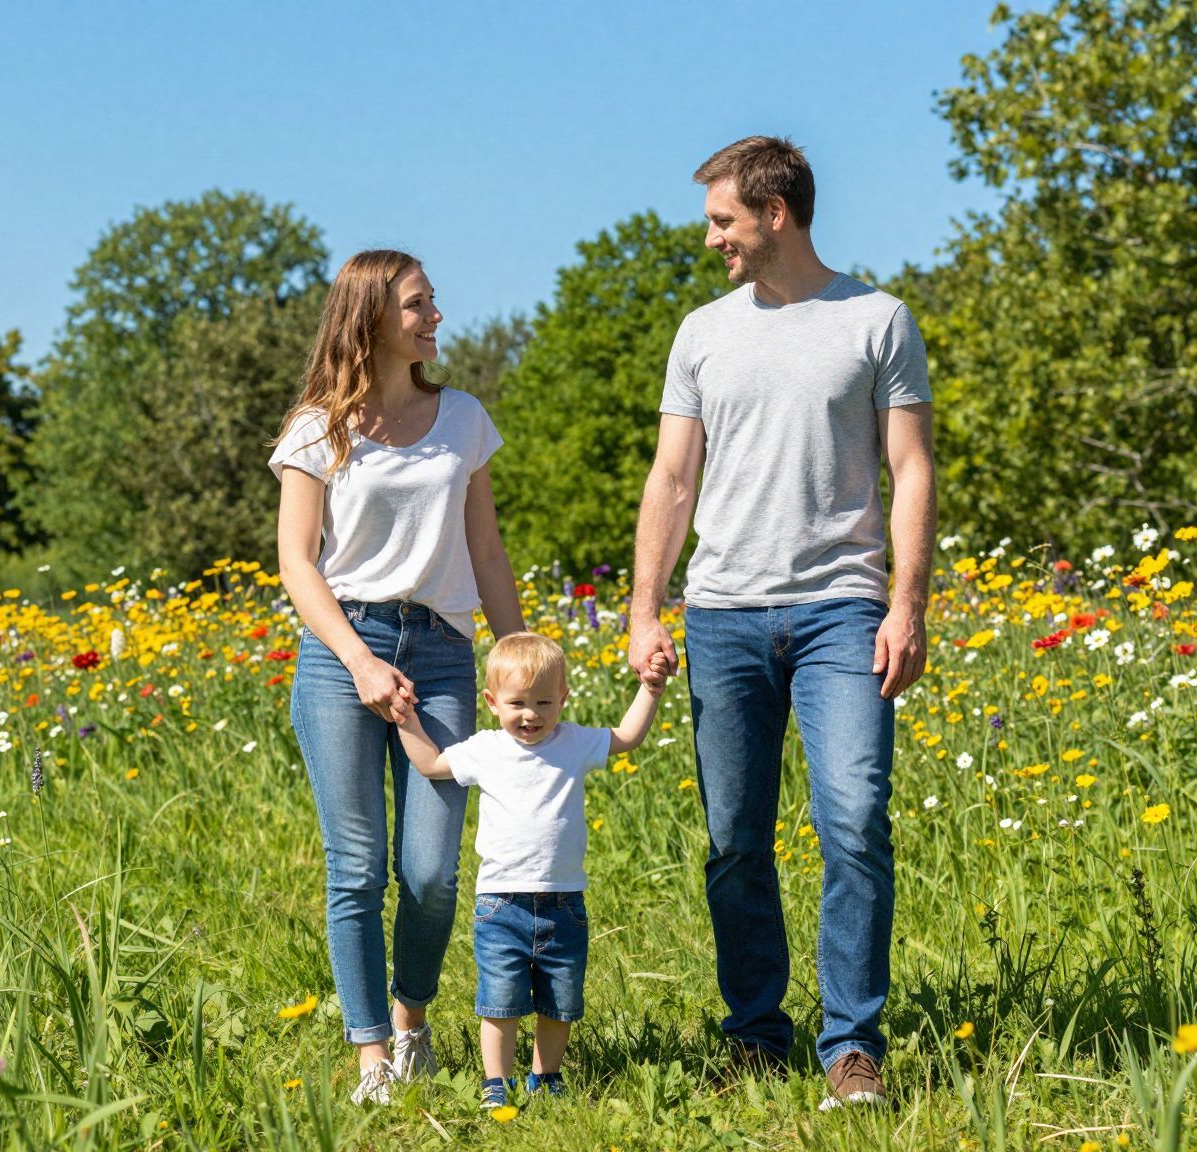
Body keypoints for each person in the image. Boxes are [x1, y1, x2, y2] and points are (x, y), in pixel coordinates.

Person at [627, 136, 936, 1110]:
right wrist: (643, 609)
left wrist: (907, 603)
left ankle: (849, 1045)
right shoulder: (701, 332)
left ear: (775, 213)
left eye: (722, 219)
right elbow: (672, 480)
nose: (711, 237)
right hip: (720, 615)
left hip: (841, 615)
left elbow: (911, 470)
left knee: (851, 820)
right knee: (732, 840)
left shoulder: (876, 320)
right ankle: (755, 1034)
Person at [270, 249, 526, 1104]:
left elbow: (485, 550)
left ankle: (411, 1018)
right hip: (344, 652)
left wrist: (519, 651)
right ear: (372, 318)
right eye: (418, 306)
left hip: (445, 653)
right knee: (356, 867)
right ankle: (372, 1056)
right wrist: (359, 659)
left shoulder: (465, 419)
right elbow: (298, 566)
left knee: (430, 872)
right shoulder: (317, 428)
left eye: (432, 302)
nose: (435, 317)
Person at [395, 631, 672, 1110]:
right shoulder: (485, 748)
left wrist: (650, 690)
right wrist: (405, 719)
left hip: (564, 901)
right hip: (500, 904)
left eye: (544, 702)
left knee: (559, 1002)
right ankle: (495, 1084)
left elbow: (627, 737)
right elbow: (432, 764)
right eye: (518, 703)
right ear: (492, 702)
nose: (531, 715)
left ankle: (546, 1077)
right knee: (499, 1003)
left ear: (563, 698)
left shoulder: (574, 743)